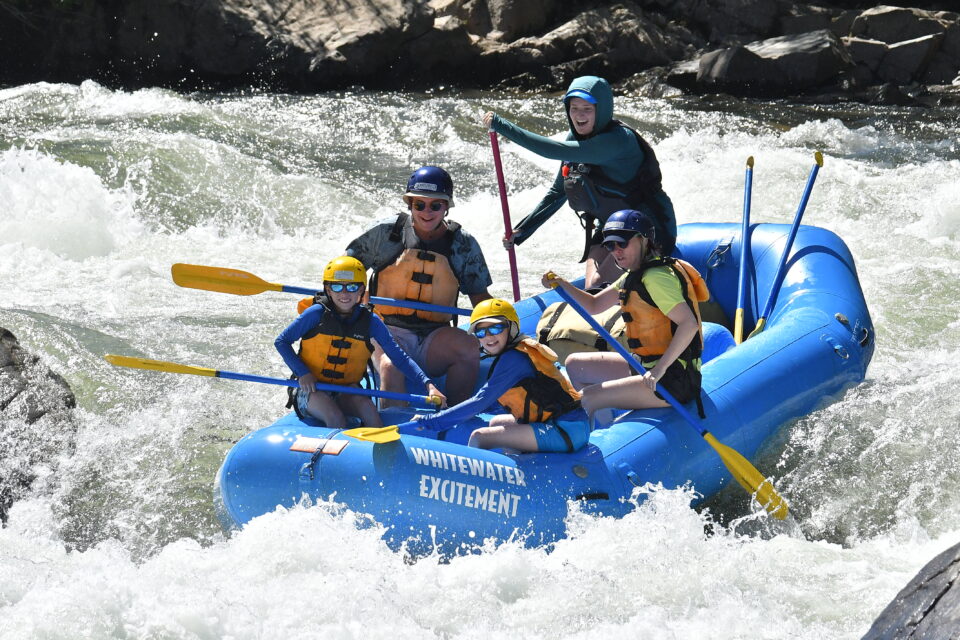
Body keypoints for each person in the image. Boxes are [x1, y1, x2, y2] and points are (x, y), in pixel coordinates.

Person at [483, 75, 677, 289]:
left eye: (587, 109)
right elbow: (558, 192)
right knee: (591, 286)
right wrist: (523, 230)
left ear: (601, 110)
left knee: (597, 283)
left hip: (648, 231)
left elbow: (551, 150)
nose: (579, 115)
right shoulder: (574, 139)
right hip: (611, 228)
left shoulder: (618, 140)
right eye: (574, 108)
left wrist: (501, 125)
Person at [542, 209, 708, 422]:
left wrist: (660, 369)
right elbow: (594, 305)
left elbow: (689, 324)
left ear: (644, 240)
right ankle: (604, 428)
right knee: (575, 364)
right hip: (645, 365)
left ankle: (595, 439)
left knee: (589, 397)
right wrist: (562, 284)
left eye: (623, 243)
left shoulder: (656, 278)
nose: (616, 251)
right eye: (610, 245)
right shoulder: (635, 274)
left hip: (673, 379)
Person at [346, 166, 493, 407]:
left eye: (435, 205)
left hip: (435, 334)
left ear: (446, 207)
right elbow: (347, 269)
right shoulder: (385, 233)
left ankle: (455, 417)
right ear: (410, 204)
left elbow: (480, 297)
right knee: (391, 364)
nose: (427, 211)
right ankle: (394, 424)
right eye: (419, 204)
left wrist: (503, 331)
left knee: (468, 348)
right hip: (386, 331)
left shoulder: (462, 244)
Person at [275, 256, 445, 429]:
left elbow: (398, 357)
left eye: (352, 287)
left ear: (361, 291)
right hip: (311, 389)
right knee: (335, 418)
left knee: (370, 413)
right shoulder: (315, 314)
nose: (344, 293)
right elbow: (282, 341)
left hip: (347, 390)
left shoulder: (371, 321)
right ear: (328, 289)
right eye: (336, 286)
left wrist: (428, 384)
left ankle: (379, 454)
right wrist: (302, 373)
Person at [414, 299, 589, 453]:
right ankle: (518, 471)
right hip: (569, 425)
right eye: (481, 332)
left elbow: (481, 400)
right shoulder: (516, 351)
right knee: (496, 423)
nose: (489, 336)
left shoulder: (515, 358)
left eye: (496, 328)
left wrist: (432, 421)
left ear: (511, 328)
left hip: (566, 430)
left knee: (480, 437)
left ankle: (477, 487)